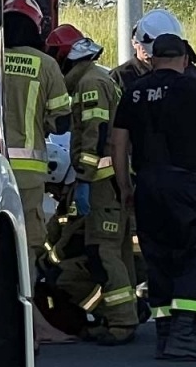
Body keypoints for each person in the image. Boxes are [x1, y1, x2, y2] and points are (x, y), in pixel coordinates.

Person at [110, 35, 196, 361]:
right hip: (187, 184)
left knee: (159, 256)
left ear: (151, 59)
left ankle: (165, 334)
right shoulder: (191, 88)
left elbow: (118, 144)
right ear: (182, 59)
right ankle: (184, 331)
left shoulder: (133, 92)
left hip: (148, 184)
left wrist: (125, 186)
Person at [45, 24, 139, 345]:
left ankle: (122, 322)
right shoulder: (99, 78)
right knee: (113, 253)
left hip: (101, 184)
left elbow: (95, 134)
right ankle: (122, 314)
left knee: (102, 252)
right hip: (110, 183)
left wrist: (83, 179)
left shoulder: (89, 84)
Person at [1, 0, 76, 345]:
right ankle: (33, 328)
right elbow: (61, 121)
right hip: (28, 176)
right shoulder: (44, 64)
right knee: (27, 249)